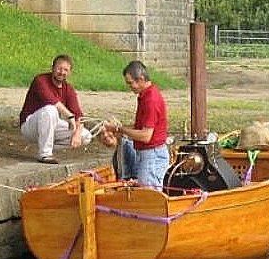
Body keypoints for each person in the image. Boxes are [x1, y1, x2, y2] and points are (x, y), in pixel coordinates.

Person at [103, 60, 169, 188]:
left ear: (141, 79)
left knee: (149, 195)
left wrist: (119, 129)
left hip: (152, 155)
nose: (129, 87)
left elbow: (145, 136)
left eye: (130, 83)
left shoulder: (151, 100)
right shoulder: (146, 96)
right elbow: (141, 128)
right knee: (145, 193)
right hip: (148, 154)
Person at [20, 54, 92, 164]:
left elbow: (79, 116)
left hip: (50, 124)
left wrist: (77, 133)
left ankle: (45, 143)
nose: (62, 72)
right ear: (52, 68)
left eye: (65, 70)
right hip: (30, 125)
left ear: (69, 72)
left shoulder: (68, 89)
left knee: (86, 136)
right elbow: (53, 102)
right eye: (59, 68)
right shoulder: (40, 80)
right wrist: (70, 116)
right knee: (50, 110)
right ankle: (45, 154)